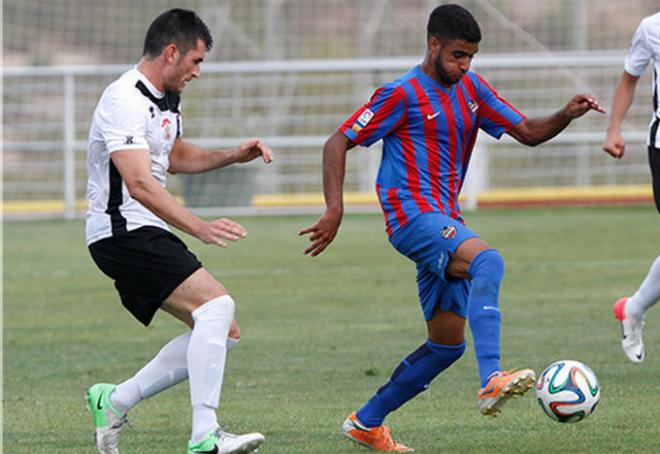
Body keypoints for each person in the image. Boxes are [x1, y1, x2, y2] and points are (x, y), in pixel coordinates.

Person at [300, 4, 604, 452]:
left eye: (471, 58)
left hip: (444, 220)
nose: (464, 66)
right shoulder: (401, 94)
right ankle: (491, 379)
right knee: (489, 261)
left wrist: (565, 113)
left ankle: (367, 422)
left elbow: (527, 132)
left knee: (445, 346)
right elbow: (338, 140)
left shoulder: (473, 89)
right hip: (412, 218)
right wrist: (334, 208)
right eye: (458, 55)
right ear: (433, 44)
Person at [84, 9, 272, 454]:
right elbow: (140, 183)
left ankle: (115, 400)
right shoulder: (124, 99)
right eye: (196, 61)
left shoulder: (164, 98)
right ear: (172, 52)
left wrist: (232, 155)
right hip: (121, 231)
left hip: (140, 228)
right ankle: (205, 435)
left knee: (222, 329)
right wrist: (199, 226)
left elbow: (174, 155)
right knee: (218, 305)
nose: (198, 72)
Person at [603, 11, 660, 364]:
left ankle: (634, 307)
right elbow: (629, 79)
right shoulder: (652, 28)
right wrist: (614, 129)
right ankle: (635, 308)